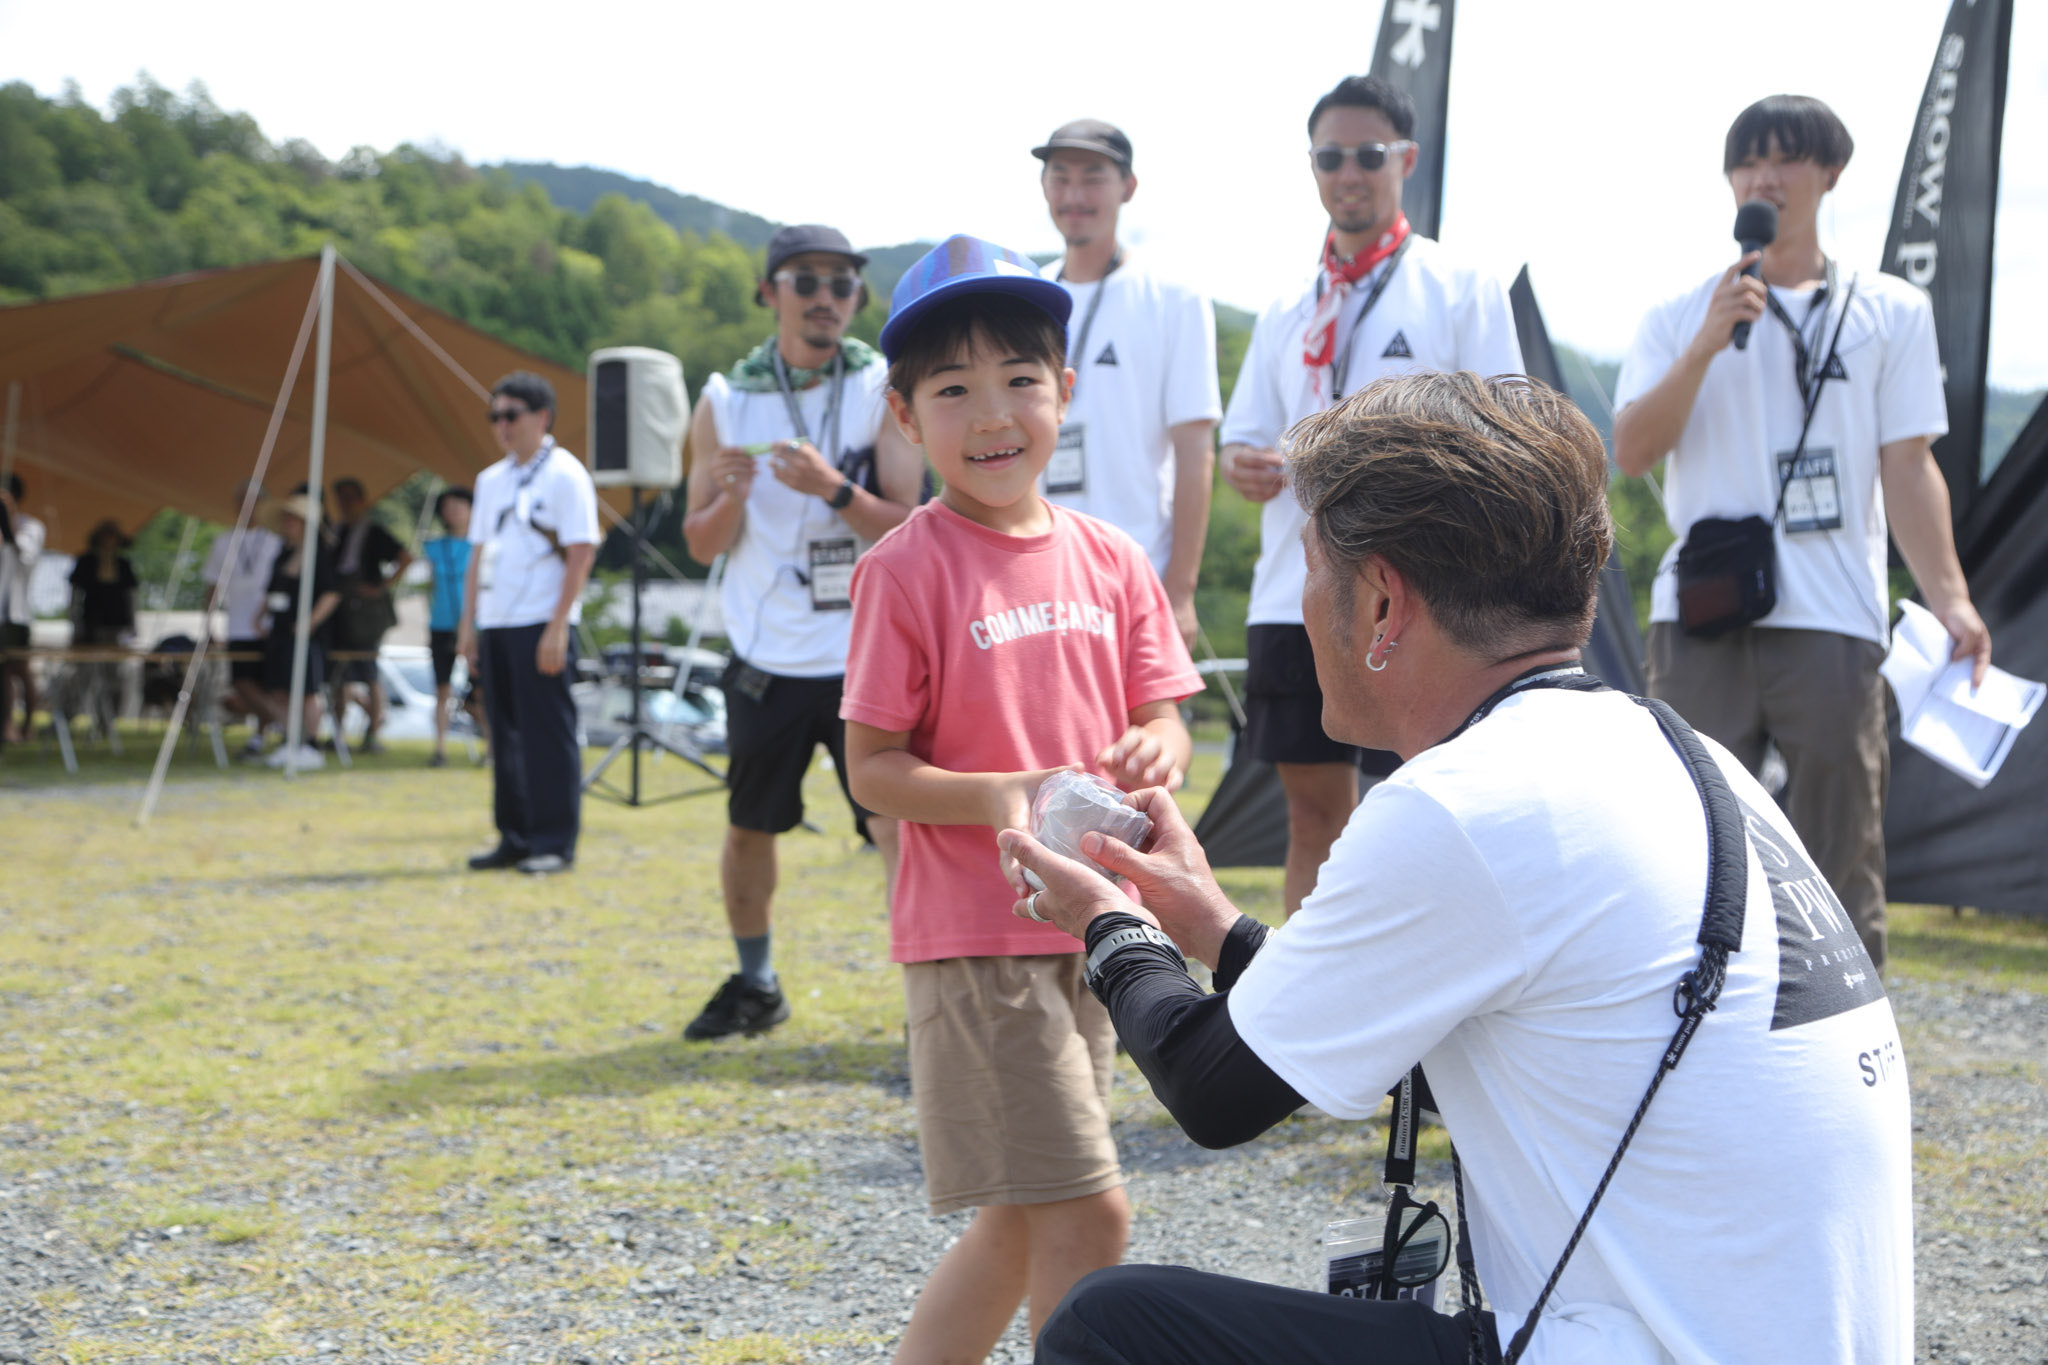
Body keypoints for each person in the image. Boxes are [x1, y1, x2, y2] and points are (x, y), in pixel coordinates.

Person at [1008, 372, 1912, 1365]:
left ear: (1381, 600)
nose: (1301, 607)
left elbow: (1213, 1091)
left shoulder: (1466, 801)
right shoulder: (1676, 756)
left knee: (1111, 1330)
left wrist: (1110, 924)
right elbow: (1432, 1049)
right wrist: (1212, 929)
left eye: (1309, 568)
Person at [841, 235, 1202, 1363]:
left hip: (1097, 930)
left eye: (1018, 380)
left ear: (1065, 392)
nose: (992, 413)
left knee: (1019, 1218)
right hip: (978, 940)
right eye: (952, 389)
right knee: (1089, 1212)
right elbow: (871, 767)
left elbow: (1166, 717)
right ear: (905, 416)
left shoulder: (1112, 559)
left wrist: (1156, 745)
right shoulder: (903, 566)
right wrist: (1006, 789)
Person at [1613, 95, 1991, 972]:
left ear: (1831, 174)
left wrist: (1952, 599)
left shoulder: (1891, 310)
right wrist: (1706, 345)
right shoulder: (1680, 311)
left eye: (1785, 159)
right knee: (1689, 837)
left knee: (1840, 847)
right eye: (1748, 162)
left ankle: (1852, 1032)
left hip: (1832, 616)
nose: (1764, 177)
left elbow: (1909, 467)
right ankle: (1695, 1024)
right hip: (1702, 613)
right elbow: (1631, 451)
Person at [1220, 75, 1523, 915]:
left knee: (1428, 811)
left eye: (1367, 154)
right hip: (1297, 588)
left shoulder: (1459, 285)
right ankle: (1309, 990)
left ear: (1406, 160)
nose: (1347, 173)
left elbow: (1508, 431)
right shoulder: (1289, 303)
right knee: (1313, 815)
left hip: (1421, 588)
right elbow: (1242, 438)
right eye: (1330, 158)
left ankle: (1430, 989)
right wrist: (1243, 465)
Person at [678, 224, 924, 1039]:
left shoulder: (883, 386)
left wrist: (834, 489)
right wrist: (730, 498)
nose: (826, 297)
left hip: (867, 652)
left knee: (897, 828)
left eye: (842, 283)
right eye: (806, 281)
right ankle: (757, 983)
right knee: (751, 827)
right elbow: (699, 543)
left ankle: (927, 1005)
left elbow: (911, 525)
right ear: (769, 292)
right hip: (765, 653)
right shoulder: (724, 398)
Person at [1032, 119, 1220, 645]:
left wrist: (1180, 591)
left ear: (1128, 187)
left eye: (1093, 178)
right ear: (1044, 187)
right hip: (1033, 578)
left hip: (1136, 577)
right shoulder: (1025, 295)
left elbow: (1195, 451)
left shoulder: (1173, 297)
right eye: (1060, 177)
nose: (1074, 195)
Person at [457, 371, 599, 876]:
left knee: (546, 734)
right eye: (494, 416)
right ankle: (514, 836)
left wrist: (559, 625)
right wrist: (469, 625)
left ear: (542, 417)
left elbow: (582, 551)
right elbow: (477, 555)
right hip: (497, 620)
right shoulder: (491, 480)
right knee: (505, 733)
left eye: (511, 415)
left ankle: (554, 841)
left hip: (541, 619)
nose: (502, 426)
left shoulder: (565, 474)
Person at [254, 493, 342, 773]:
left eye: (293, 519)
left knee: (307, 691)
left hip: (307, 637)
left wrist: (309, 622)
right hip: (280, 632)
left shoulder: (320, 556)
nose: (287, 523)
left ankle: (312, 745)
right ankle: (291, 741)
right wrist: (259, 617)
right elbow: (271, 591)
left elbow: (332, 593)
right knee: (279, 691)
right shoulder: (283, 554)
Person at [328, 476, 411, 755]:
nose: (346, 504)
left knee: (369, 672)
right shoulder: (336, 531)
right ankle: (338, 733)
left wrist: (380, 587)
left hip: (365, 615)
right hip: (340, 610)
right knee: (339, 673)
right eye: (342, 498)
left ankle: (373, 733)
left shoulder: (373, 532)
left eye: (351, 498)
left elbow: (405, 557)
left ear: (363, 501)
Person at [201, 481, 285, 757]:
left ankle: (261, 737)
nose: (248, 506)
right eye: (242, 500)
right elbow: (212, 587)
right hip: (237, 626)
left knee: (269, 685)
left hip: (271, 626)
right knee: (242, 683)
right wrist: (208, 626)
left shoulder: (276, 541)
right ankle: (287, 728)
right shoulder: (224, 541)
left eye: (254, 500)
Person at [421, 486, 483, 768]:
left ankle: (492, 747)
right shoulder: (433, 547)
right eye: (448, 506)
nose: (454, 511)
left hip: (477, 625)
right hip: (442, 624)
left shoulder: (482, 545)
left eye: (460, 505)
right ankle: (440, 748)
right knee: (442, 688)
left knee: (482, 688)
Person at [0, 472, 46, 743]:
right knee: (4, 671)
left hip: (16, 613)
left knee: (18, 668)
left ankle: (25, 725)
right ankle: (7, 725)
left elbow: (24, 555)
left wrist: (8, 522)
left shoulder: (31, 527)